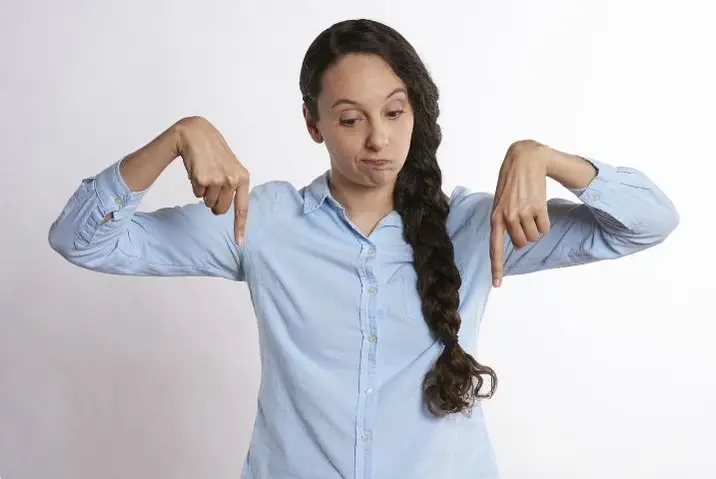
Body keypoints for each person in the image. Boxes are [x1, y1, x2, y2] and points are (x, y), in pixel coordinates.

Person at [48, 18, 679, 479]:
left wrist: (542, 157)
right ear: (312, 122)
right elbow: (81, 240)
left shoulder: (475, 224)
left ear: (417, 114)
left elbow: (648, 222)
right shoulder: (261, 222)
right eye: (350, 119)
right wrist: (176, 138)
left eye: (395, 112)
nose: (377, 139)